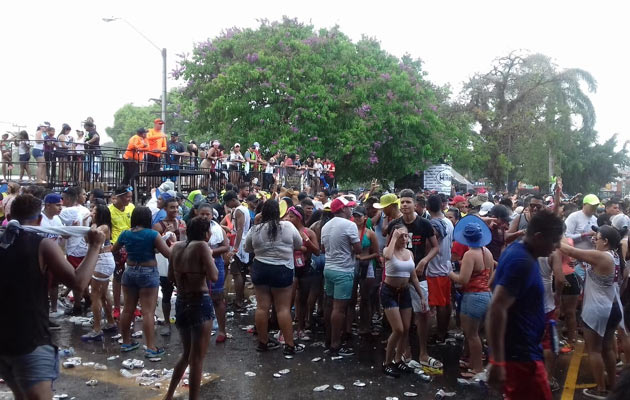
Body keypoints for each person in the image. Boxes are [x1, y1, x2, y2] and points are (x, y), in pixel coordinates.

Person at [0, 194, 104, 400]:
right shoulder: (42, 245)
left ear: (9, 216)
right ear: (39, 220)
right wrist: (95, 246)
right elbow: (79, 284)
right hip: (30, 340)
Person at [486, 209, 564, 400]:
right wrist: (497, 360)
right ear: (538, 237)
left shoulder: (516, 250)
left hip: (525, 352)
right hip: (521, 358)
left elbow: (491, 285)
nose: (557, 247)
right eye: (554, 241)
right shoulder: (522, 261)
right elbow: (497, 308)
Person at [559, 225, 626, 398]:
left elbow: (567, 249)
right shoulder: (615, 255)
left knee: (594, 350)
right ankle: (612, 382)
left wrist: (557, 231)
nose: (594, 239)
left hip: (598, 309)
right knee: (607, 349)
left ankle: (601, 389)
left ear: (606, 241)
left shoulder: (601, 256)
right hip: (612, 308)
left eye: (598, 237)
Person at [384, 190, 440, 372]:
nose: (405, 205)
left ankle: (423, 352)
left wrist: (424, 261)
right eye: (403, 202)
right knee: (402, 321)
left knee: (423, 315)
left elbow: (435, 247)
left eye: (408, 201)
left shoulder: (424, 223)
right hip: (398, 278)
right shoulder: (394, 224)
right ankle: (404, 354)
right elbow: (387, 250)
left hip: (419, 276)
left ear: (415, 204)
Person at [163, 217, 218, 400]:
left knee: (186, 354)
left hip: (181, 303)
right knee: (197, 359)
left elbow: (171, 276)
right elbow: (214, 276)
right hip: (199, 303)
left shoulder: (176, 247)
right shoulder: (202, 246)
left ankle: (169, 395)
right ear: (204, 233)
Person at [245, 200, 305, 354]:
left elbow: (247, 247)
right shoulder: (288, 226)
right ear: (279, 213)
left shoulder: (256, 229)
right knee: (283, 309)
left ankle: (263, 343)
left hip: (260, 269)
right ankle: (289, 345)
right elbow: (298, 245)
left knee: (262, 308)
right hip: (282, 269)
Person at [112, 206, 171, 358]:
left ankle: (126, 342)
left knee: (127, 309)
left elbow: (114, 249)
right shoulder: (153, 234)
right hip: (148, 272)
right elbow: (168, 254)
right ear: (148, 219)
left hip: (130, 271)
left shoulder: (125, 234)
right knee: (148, 312)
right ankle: (151, 347)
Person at [449, 216, 494, 379]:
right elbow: (492, 271)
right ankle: (473, 363)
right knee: (477, 333)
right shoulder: (486, 251)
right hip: (487, 294)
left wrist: (450, 273)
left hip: (473, 297)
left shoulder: (470, 254)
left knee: (471, 334)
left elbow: (463, 280)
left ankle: (477, 369)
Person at [380, 223, 426, 377]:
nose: (404, 239)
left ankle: (398, 359)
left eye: (406, 236)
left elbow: (413, 276)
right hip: (389, 292)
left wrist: (421, 296)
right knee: (398, 329)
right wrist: (393, 237)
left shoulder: (409, 253)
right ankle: (387, 363)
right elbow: (386, 256)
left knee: (406, 329)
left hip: (404, 291)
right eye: (401, 236)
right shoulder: (389, 250)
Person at [321, 196, 361, 356]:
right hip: (343, 271)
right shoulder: (349, 225)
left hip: (329, 268)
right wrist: (348, 250)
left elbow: (323, 249)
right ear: (343, 209)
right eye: (349, 207)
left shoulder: (326, 226)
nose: (351, 209)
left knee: (328, 305)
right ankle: (336, 343)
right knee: (339, 309)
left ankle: (328, 338)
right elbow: (358, 249)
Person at [81, 205, 118, 341]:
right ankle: (110, 322)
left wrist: (90, 222)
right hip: (102, 261)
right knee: (103, 294)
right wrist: (86, 222)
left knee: (95, 295)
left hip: (103, 261)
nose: (92, 213)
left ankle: (97, 329)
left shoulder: (104, 227)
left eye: (94, 212)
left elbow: (92, 234)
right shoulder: (101, 226)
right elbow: (87, 240)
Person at [153, 197, 187, 336]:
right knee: (167, 293)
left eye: (177, 207)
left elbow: (185, 242)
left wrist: (180, 232)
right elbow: (154, 248)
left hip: (180, 262)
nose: (175, 210)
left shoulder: (181, 222)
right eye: (172, 207)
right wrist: (164, 236)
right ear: (165, 209)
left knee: (183, 293)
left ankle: (182, 320)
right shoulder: (158, 226)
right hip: (165, 264)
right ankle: (167, 322)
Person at [197, 203, 231, 342]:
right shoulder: (193, 227)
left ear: (212, 215)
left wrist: (210, 252)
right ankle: (200, 328)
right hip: (197, 265)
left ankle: (222, 331)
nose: (205, 217)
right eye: (202, 214)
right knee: (198, 297)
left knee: (217, 297)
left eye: (207, 214)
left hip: (215, 263)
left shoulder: (218, 229)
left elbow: (225, 247)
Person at [286, 205, 320, 341]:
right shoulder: (286, 231)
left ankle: (301, 328)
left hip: (305, 268)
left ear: (299, 218)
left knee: (303, 300)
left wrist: (305, 240)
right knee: (289, 300)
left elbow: (317, 251)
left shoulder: (309, 232)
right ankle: (286, 330)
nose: (288, 219)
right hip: (291, 268)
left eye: (291, 216)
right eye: (288, 216)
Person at [425, 194, 454, 343]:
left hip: (435, 269)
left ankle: (440, 334)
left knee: (440, 304)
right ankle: (444, 330)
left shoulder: (433, 224)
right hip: (446, 267)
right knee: (446, 302)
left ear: (427, 208)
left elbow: (429, 246)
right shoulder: (449, 222)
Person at [59, 186, 91, 316]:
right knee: (84, 277)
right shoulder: (85, 210)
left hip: (74, 249)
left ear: (68, 199)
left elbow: (62, 230)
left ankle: (78, 305)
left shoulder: (66, 212)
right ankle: (88, 299)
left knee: (75, 278)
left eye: (62, 198)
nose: (61, 202)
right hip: (85, 247)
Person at [351, 206, 379, 335]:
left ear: (365, 217)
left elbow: (376, 253)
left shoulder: (370, 233)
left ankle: (366, 324)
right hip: (352, 265)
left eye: (359, 216)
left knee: (365, 297)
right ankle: (351, 323)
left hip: (367, 266)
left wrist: (363, 257)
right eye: (355, 216)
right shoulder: (350, 231)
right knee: (351, 296)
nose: (357, 219)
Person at [109, 186, 135, 319]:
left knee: (132, 277)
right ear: (118, 197)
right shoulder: (109, 211)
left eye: (130, 196)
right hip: (116, 247)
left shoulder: (132, 208)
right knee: (118, 277)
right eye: (127, 196)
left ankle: (133, 306)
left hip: (131, 245)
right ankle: (117, 307)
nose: (129, 199)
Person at [224, 191, 251, 311]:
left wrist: (235, 248)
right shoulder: (243, 209)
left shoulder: (238, 210)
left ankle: (239, 302)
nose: (227, 205)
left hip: (239, 244)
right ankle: (239, 300)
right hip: (242, 243)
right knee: (241, 272)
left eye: (227, 202)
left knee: (236, 273)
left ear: (232, 200)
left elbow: (239, 230)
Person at [40, 193, 65, 319]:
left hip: (54, 257)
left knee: (54, 284)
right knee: (43, 286)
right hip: (42, 259)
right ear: (48, 205)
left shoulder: (56, 219)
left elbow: (62, 236)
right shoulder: (40, 219)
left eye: (61, 205)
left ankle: (54, 309)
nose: (60, 208)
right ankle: (42, 311)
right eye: (57, 205)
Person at [564, 194, 600, 280]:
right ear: (584, 205)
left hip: (590, 260)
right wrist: (585, 234)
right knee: (578, 286)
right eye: (592, 206)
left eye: (596, 206)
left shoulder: (595, 219)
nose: (594, 208)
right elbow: (566, 236)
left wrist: (596, 239)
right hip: (576, 260)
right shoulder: (574, 217)